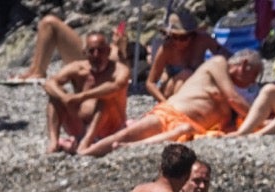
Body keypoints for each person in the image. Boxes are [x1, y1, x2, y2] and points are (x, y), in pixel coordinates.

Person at [82, 52, 264, 157]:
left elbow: (231, 124)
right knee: (125, 135)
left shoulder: (229, 92)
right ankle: (86, 153)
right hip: (171, 113)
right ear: (244, 65)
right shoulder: (218, 63)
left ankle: (96, 151)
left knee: (135, 142)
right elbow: (233, 98)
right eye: (253, 76)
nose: (250, 84)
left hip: (189, 127)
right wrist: (260, 120)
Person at [42, 32, 130, 154]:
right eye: (92, 51)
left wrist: (82, 96)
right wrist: (64, 97)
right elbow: (49, 83)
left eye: (101, 50)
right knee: (55, 97)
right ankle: (53, 143)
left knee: (105, 99)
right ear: (85, 52)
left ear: (108, 51)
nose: (96, 55)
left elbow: (116, 86)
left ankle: (85, 143)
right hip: (79, 125)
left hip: (110, 126)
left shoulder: (118, 69)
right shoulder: (78, 68)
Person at [146, 10, 227, 102]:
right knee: (185, 76)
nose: (178, 42)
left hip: (196, 88)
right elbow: (150, 83)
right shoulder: (166, 49)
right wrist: (164, 102)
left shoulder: (203, 40)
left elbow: (225, 56)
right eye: (174, 37)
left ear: (192, 35)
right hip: (172, 90)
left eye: (183, 38)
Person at [9, 13, 84, 82]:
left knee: (50, 23)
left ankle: (38, 72)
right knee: (46, 23)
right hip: (87, 57)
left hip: (90, 62)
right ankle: (33, 70)